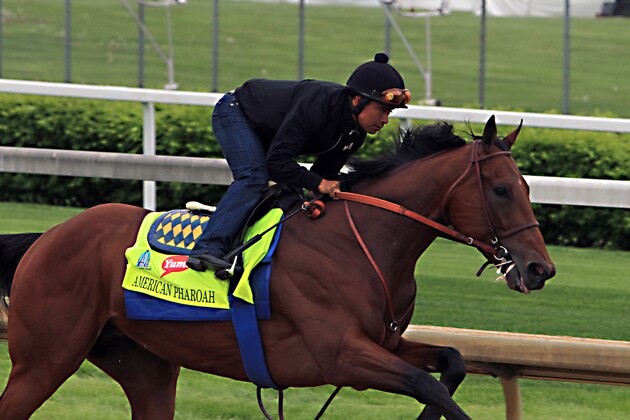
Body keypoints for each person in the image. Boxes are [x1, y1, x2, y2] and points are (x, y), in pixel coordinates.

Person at [187, 53, 410, 273]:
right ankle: (207, 249)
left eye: (389, 112)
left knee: (291, 196)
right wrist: (320, 183)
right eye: (382, 110)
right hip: (235, 112)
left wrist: (333, 185)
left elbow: (323, 173)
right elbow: (276, 162)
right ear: (357, 100)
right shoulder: (317, 106)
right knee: (254, 177)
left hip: (268, 130)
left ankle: (248, 254)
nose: (385, 120)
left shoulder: (355, 134)